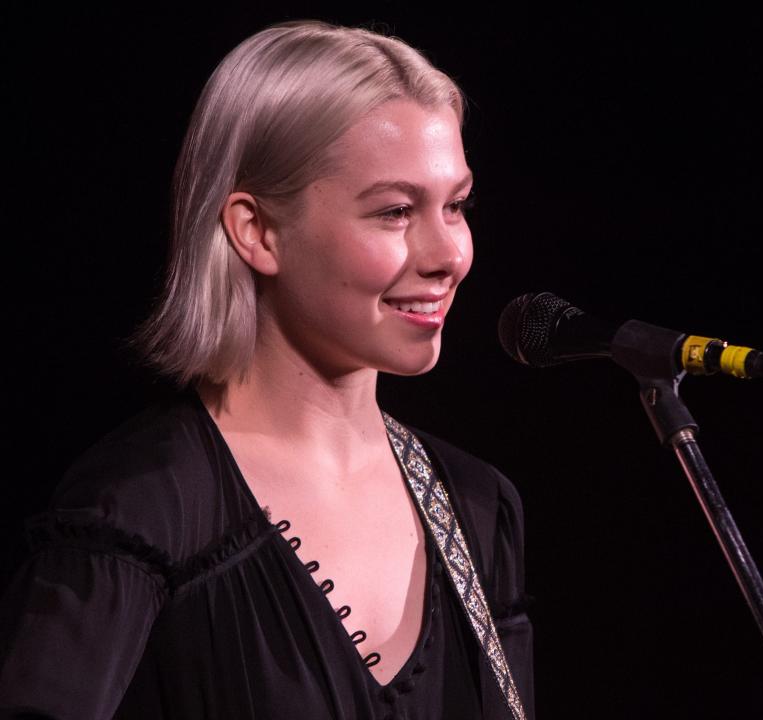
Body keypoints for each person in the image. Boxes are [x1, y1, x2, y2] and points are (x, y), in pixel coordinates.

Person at [0, 19, 534, 720]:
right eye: (397, 211)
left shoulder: (474, 506)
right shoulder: (144, 508)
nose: (448, 255)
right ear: (256, 230)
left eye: (456, 206)